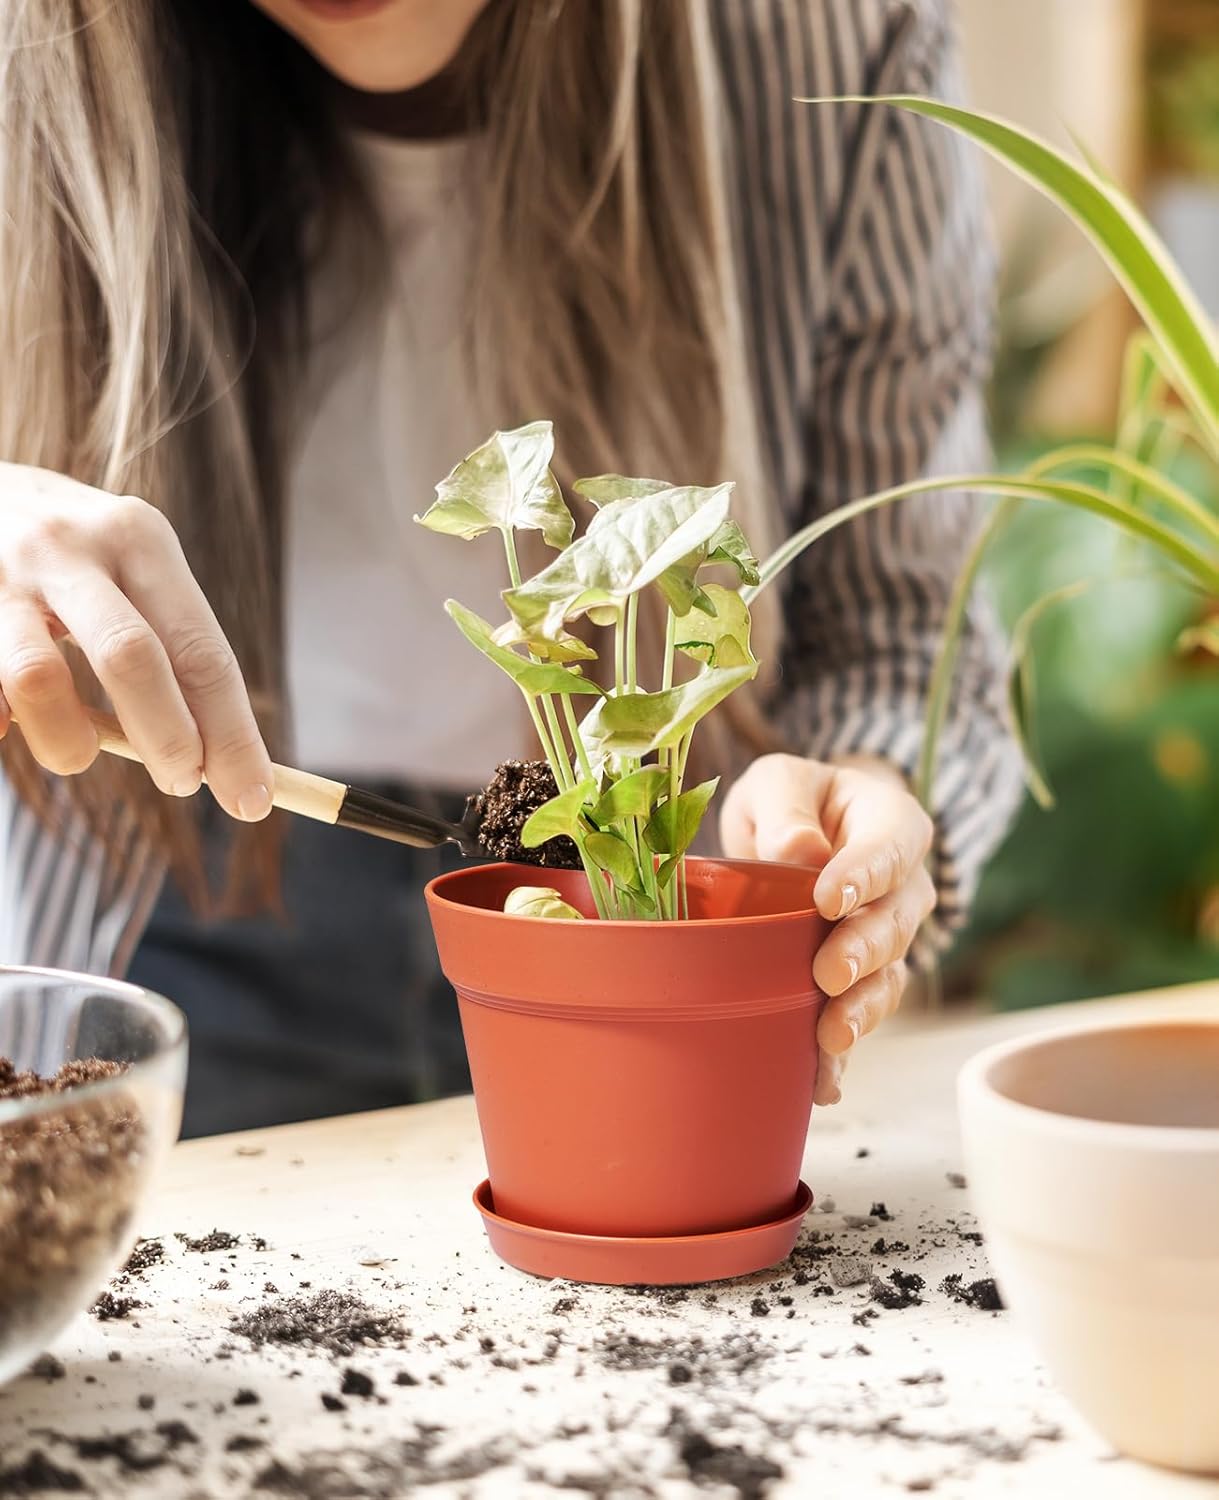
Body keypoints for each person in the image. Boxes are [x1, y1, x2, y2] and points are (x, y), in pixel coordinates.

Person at [0, 0, 1021, 1136]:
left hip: (652, 921)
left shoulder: (834, 45)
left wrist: (857, 799)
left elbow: (897, 629)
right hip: (177, 904)